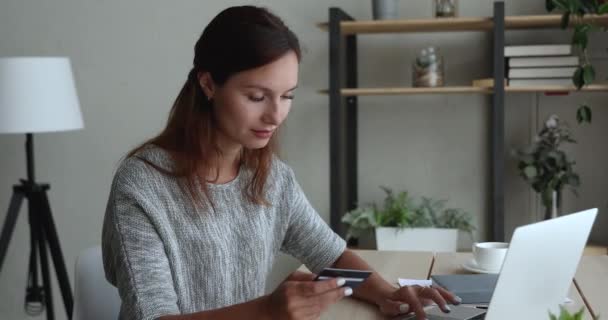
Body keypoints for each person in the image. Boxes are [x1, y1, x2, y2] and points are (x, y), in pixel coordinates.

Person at [101, 5, 460, 320]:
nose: (275, 115)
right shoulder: (142, 185)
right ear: (208, 84)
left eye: (287, 96)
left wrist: (388, 294)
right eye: (257, 96)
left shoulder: (271, 177)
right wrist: (267, 311)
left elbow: (329, 253)